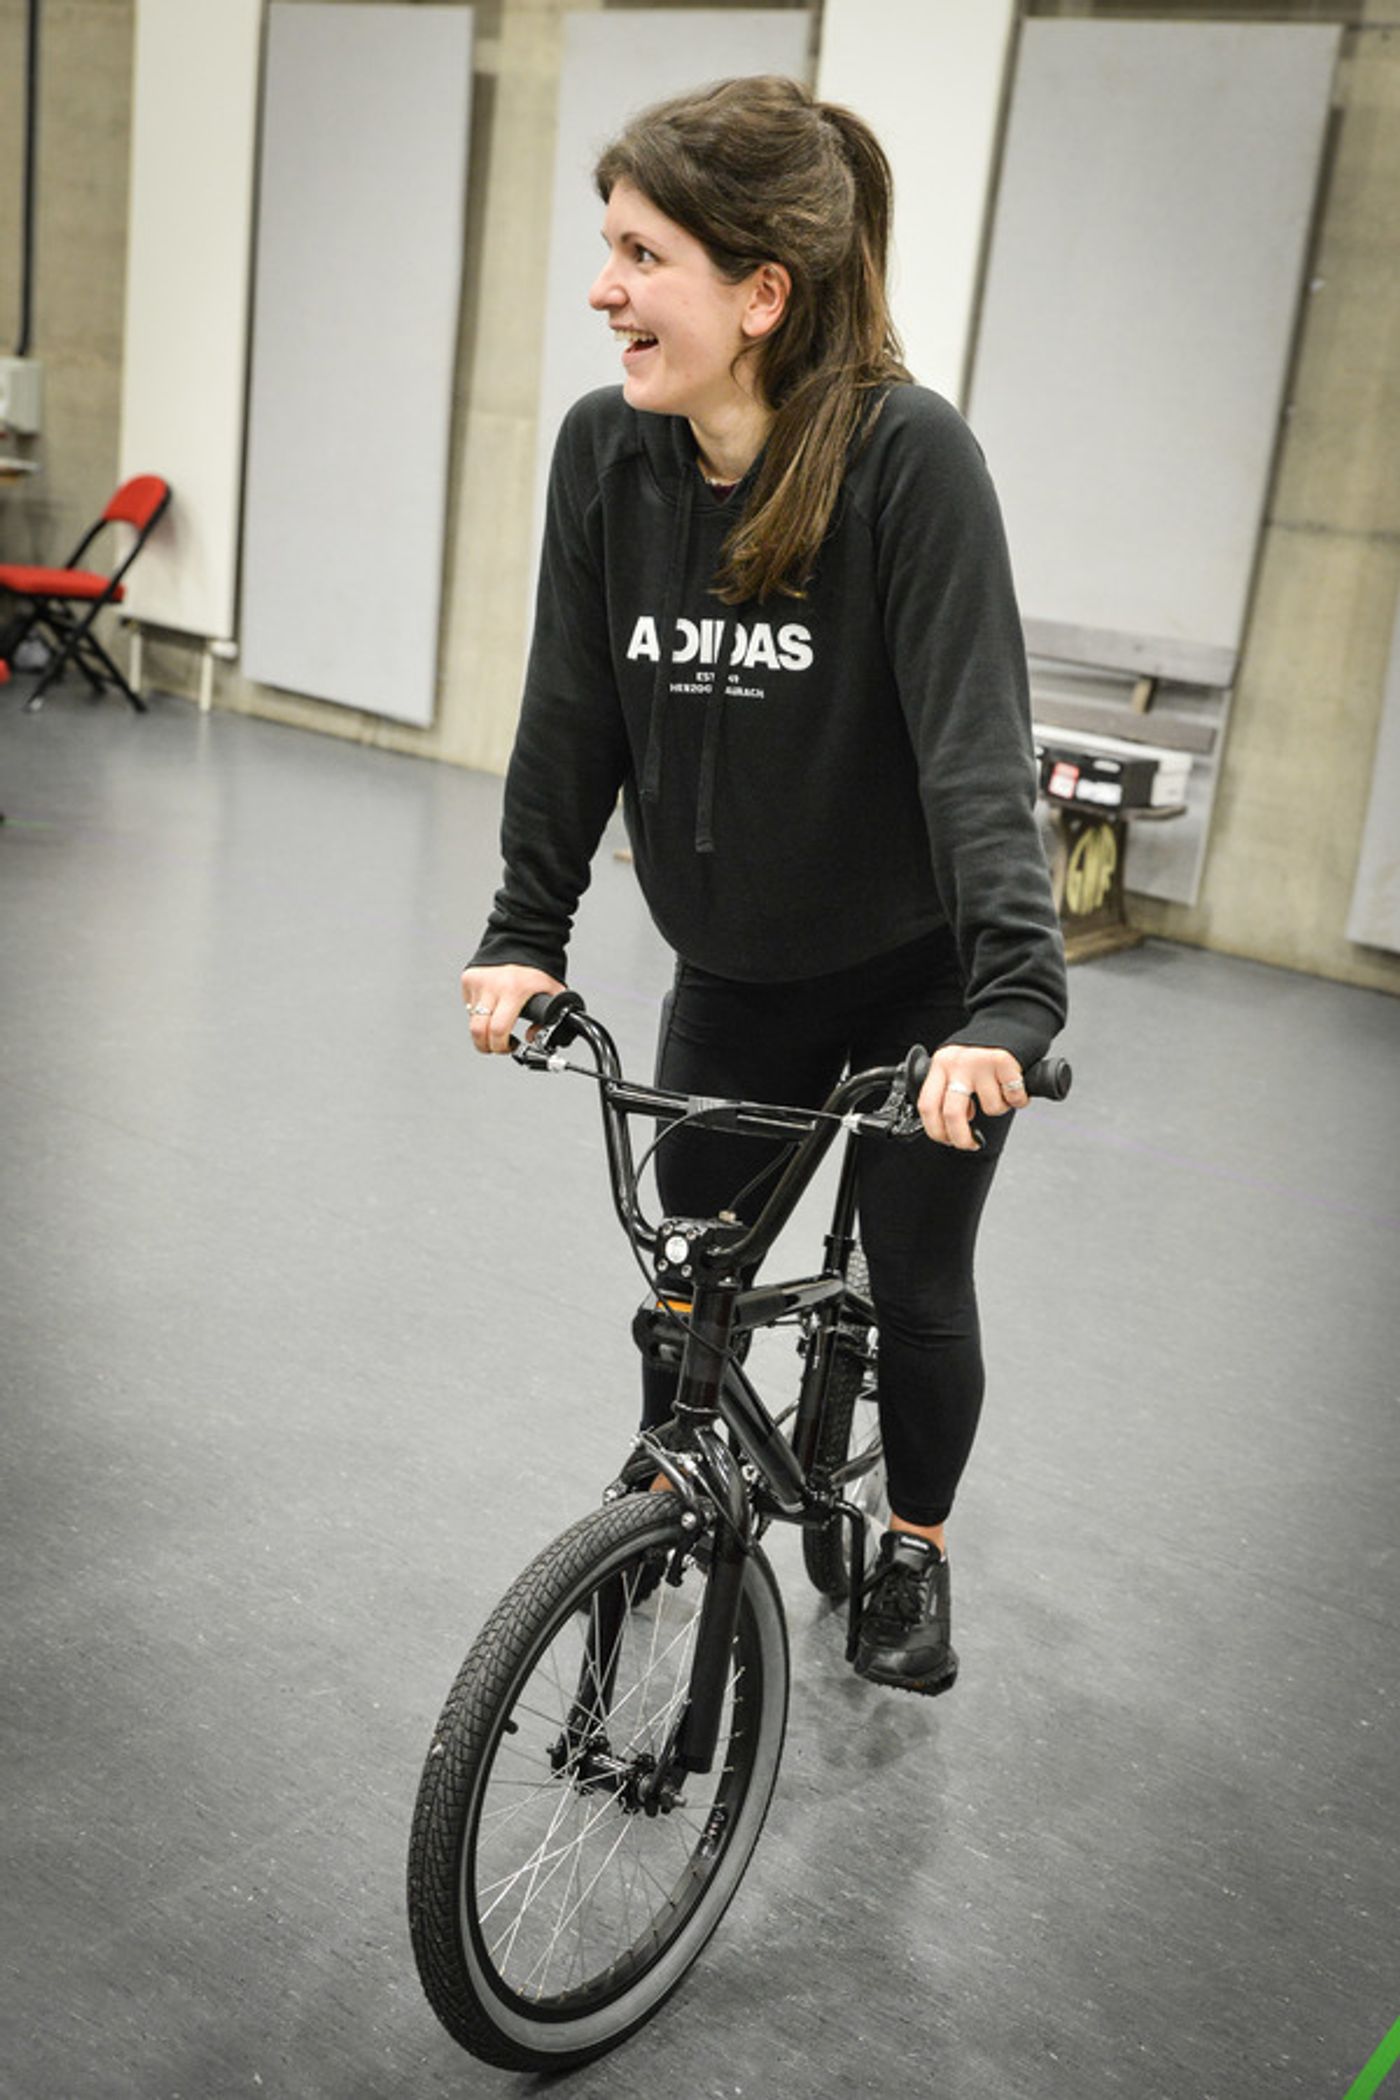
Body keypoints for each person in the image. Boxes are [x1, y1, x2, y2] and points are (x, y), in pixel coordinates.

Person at [460, 76, 1067, 1697]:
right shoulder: (608, 453)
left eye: (640, 256)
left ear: (761, 293)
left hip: (920, 977)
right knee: (692, 1279)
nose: (604, 291)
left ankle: (915, 1545)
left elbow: (975, 753)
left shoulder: (907, 459)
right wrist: (524, 933)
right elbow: (571, 714)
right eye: (607, 250)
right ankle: (675, 1500)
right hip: (735, 964)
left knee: (916, 1281)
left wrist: (1011, 1004)